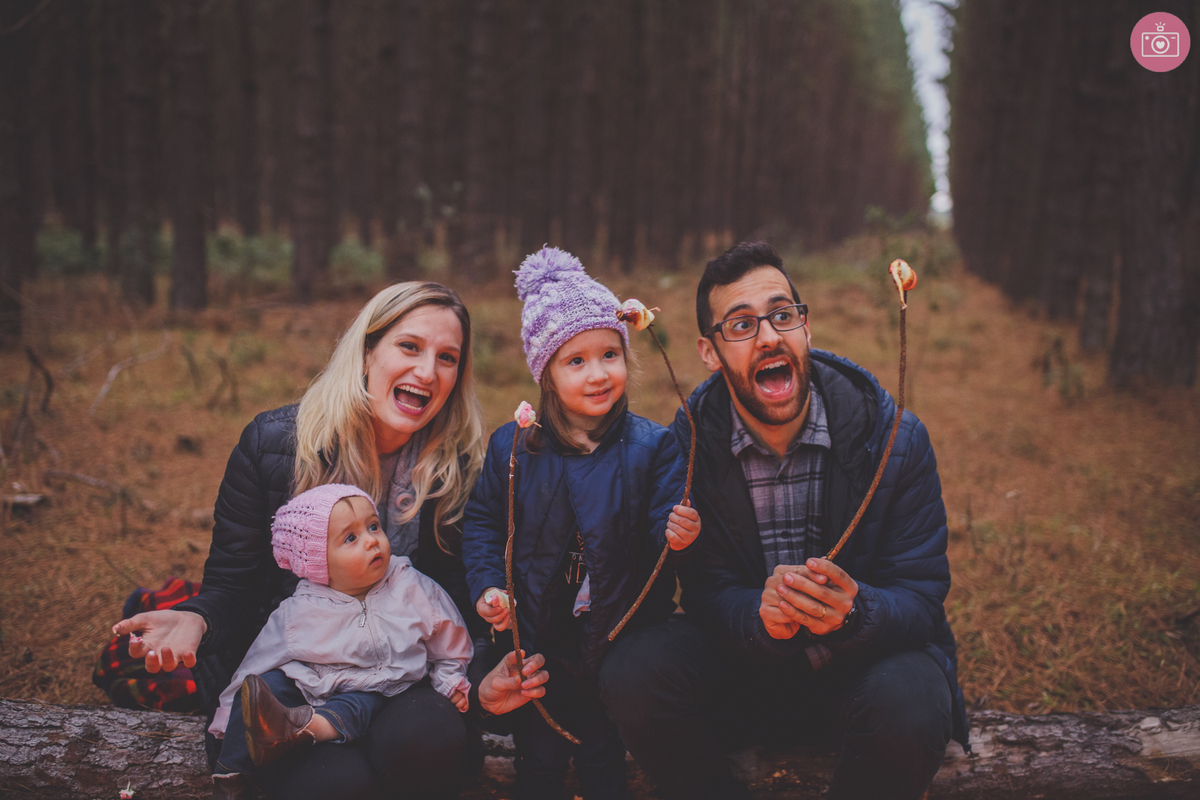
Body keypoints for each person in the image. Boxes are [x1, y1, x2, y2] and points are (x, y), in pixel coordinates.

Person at [112, 282, 539, 800]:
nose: (427, 372)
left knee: (429, 741)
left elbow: (459, 613)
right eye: (409, 346)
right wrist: (197, 618)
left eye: (447, 358)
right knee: (339, 785)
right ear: (366, 351)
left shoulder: (461, 471)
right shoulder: (273, 447)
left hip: (403, 681)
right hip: (293, 683)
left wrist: (482, 681)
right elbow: (234, 587)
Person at [598, 242, 970, 800]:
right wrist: (756, 616)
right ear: (708, 351)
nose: (769, 336)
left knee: (916, 692)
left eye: (782, 315)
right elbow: (703, 592)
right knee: (635, 671)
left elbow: (921, 597)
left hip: (860, 676)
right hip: (744, 674)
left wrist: (856, 611)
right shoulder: (689, 449)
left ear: (806, 327)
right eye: (741, 325)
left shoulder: (893, 438)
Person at [461, 247, 701, 800]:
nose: (598, 374)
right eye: (576, 361)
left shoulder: (653, 448)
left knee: (602, 760)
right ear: (545, 371)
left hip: (617, 641)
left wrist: (680, 535)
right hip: (539, 646)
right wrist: (488, 589)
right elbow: (482, 524)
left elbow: (665, 540)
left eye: (610, 355)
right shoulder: (515, 447)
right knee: (541, 762)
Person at [207, 484, 473, 799]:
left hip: (381, 693)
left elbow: (450, 638)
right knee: (268, 683)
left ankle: (300, 731)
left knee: (361, 701)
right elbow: (255, 664)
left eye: (373, 526)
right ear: (319, 564)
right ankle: (232, 774)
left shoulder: (411, 587)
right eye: (351, 538)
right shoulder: (299, 612)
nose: (372, 540)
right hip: (312, 687)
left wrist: (449, 680)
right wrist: (228, 720)